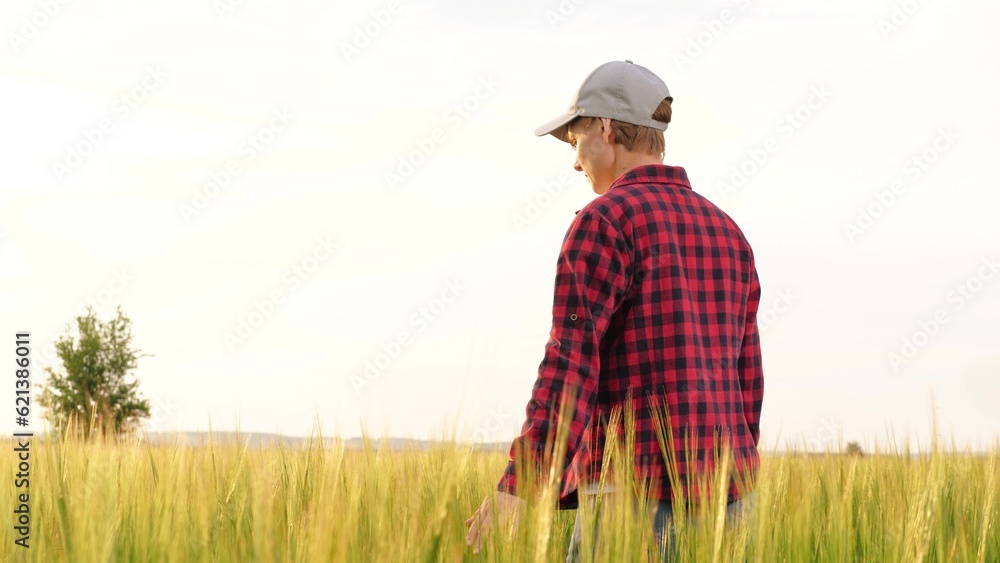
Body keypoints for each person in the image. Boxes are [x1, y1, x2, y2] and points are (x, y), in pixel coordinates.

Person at [465, 60, 764, 561]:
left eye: (575, 140)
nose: (576, 163)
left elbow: (570, 366)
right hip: (730, 503)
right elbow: (746, 380)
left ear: (605, 129)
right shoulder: (728, 231)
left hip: (633, 503)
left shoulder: (604, 222)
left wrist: (520, 484)